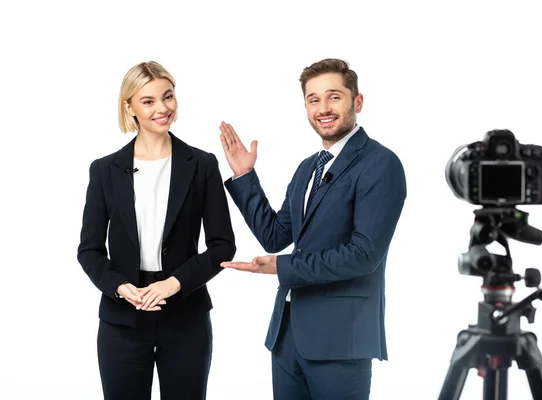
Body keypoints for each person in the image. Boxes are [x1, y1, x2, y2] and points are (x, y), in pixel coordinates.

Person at [218, 58, 407, 399]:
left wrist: (282, 266)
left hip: (340, 339)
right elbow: (275, 236)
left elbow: (364, 255)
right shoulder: (308, 168)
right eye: (313, 99)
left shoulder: (380, 164)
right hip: (288, 333)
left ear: (357, 101)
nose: (323, 108)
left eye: (334, 96)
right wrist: (245, 176)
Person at [77, 61, 236, 400]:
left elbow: (222, 245)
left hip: (185, 314)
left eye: (168, 96)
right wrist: (120, 287)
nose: (162, 108)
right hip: (123, 317)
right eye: (148, 101)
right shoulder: (105, 170)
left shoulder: (202, 164)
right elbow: (89, 250)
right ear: (129, 107)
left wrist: (173, 283)